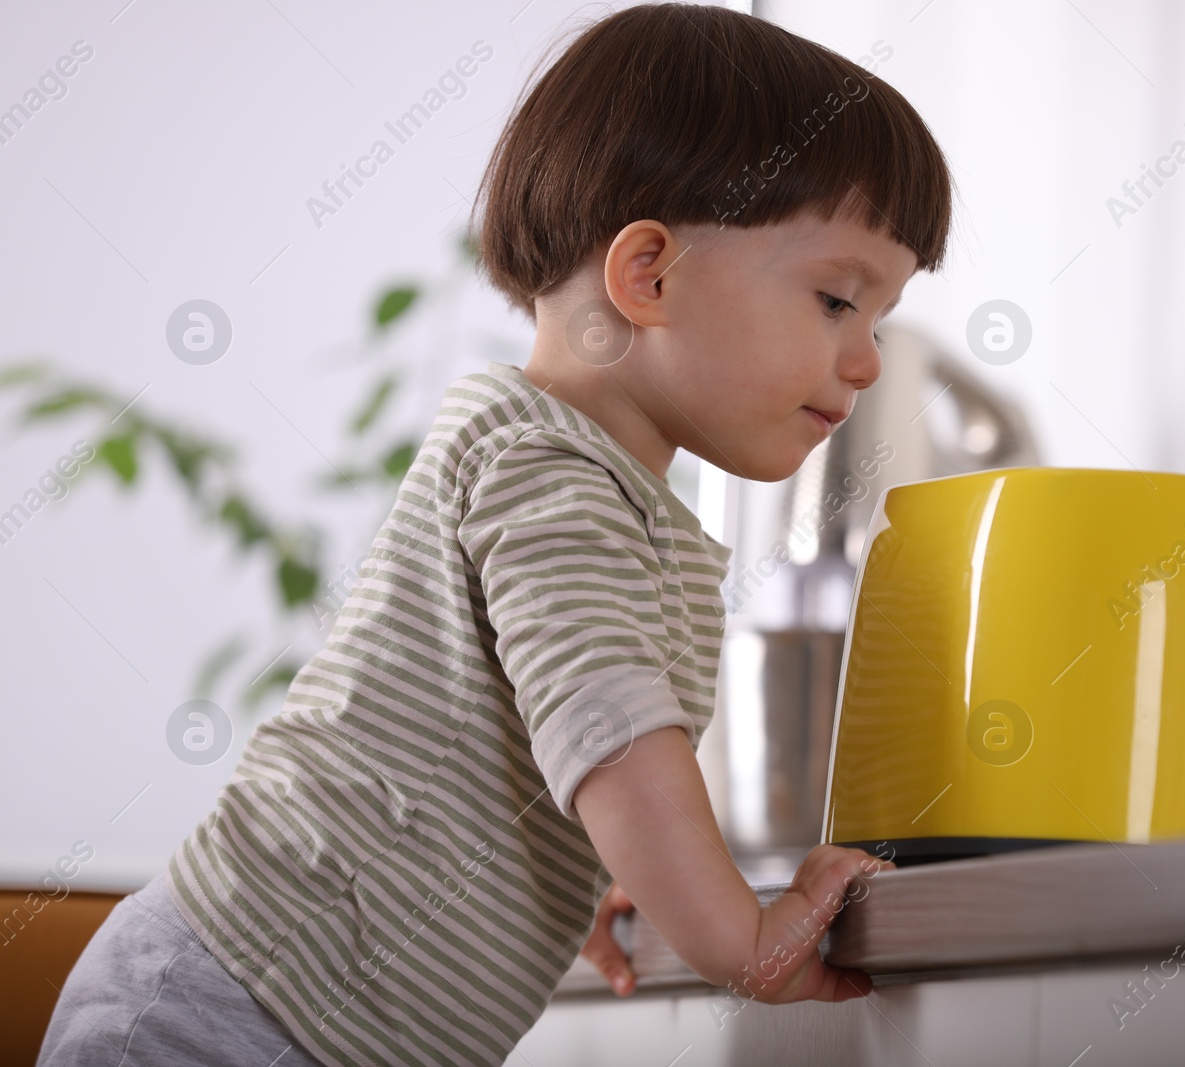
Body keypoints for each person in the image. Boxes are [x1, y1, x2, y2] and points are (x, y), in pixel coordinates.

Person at [38, 3, 953, 1065]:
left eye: (877, 318)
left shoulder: (586, 481)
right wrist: (737, 934)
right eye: (838, 299)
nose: (868, 360)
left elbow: (532, 742)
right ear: (647, 275)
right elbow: (607, 720)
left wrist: (598, 868)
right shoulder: (549, 469)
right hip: (235, 1009)